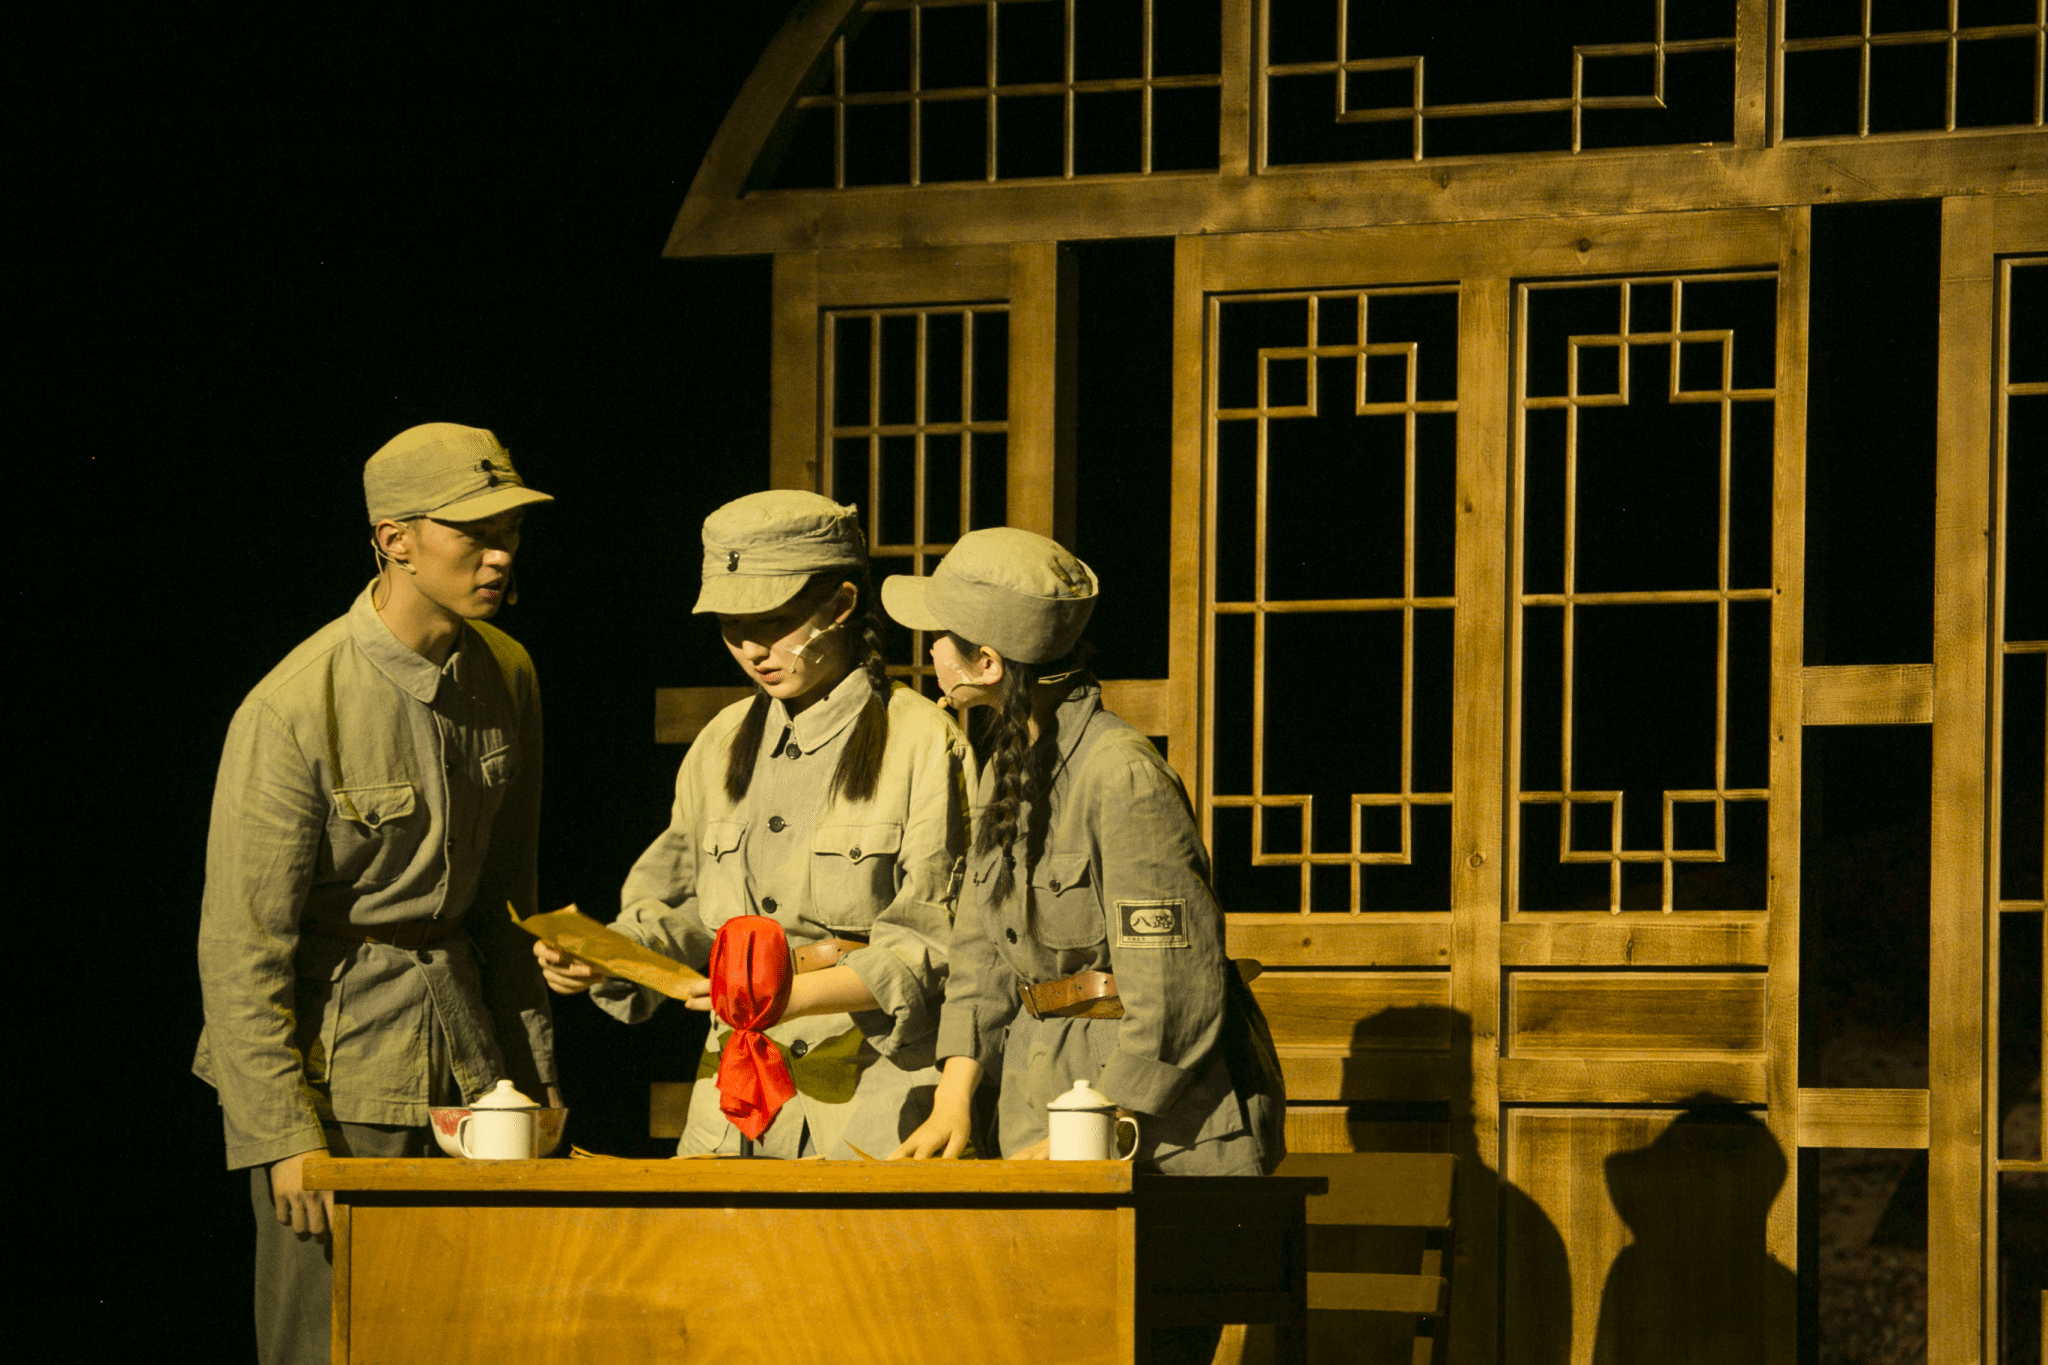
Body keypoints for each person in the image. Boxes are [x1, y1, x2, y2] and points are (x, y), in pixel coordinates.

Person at [195, 422, 560, 1365]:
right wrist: (284, 1137)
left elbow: (510, 908)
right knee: (327, 1343)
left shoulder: (507, 673)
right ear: (395, 539)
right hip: (341, 1080)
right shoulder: (293, 706)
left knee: (476, 1340)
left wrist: (536, 1083)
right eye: (474, 531)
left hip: (476, 1078)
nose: (501, 553)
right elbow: (241, 949)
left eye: (512, 530)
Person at [537, 490, 970, 1159]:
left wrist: (790, 994)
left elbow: (936, 941)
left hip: (867, 1101)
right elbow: (685, 907)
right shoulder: (722, 741)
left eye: (774, 622)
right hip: (731, 1106)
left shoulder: (920, 742)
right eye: (731, 627)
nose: (751, 648)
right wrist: (606, 954)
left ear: (842, 604)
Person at [885, 527, 1285, 1175]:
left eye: (940, 634)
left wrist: (1102, 1119)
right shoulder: (1007, 767)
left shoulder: (1119, 775)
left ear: (987, 664)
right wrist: (952, 1099)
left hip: (1156, 1129)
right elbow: (982, 954)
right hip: (1042, 1093)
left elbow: (1176, 985)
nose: (930, 648)